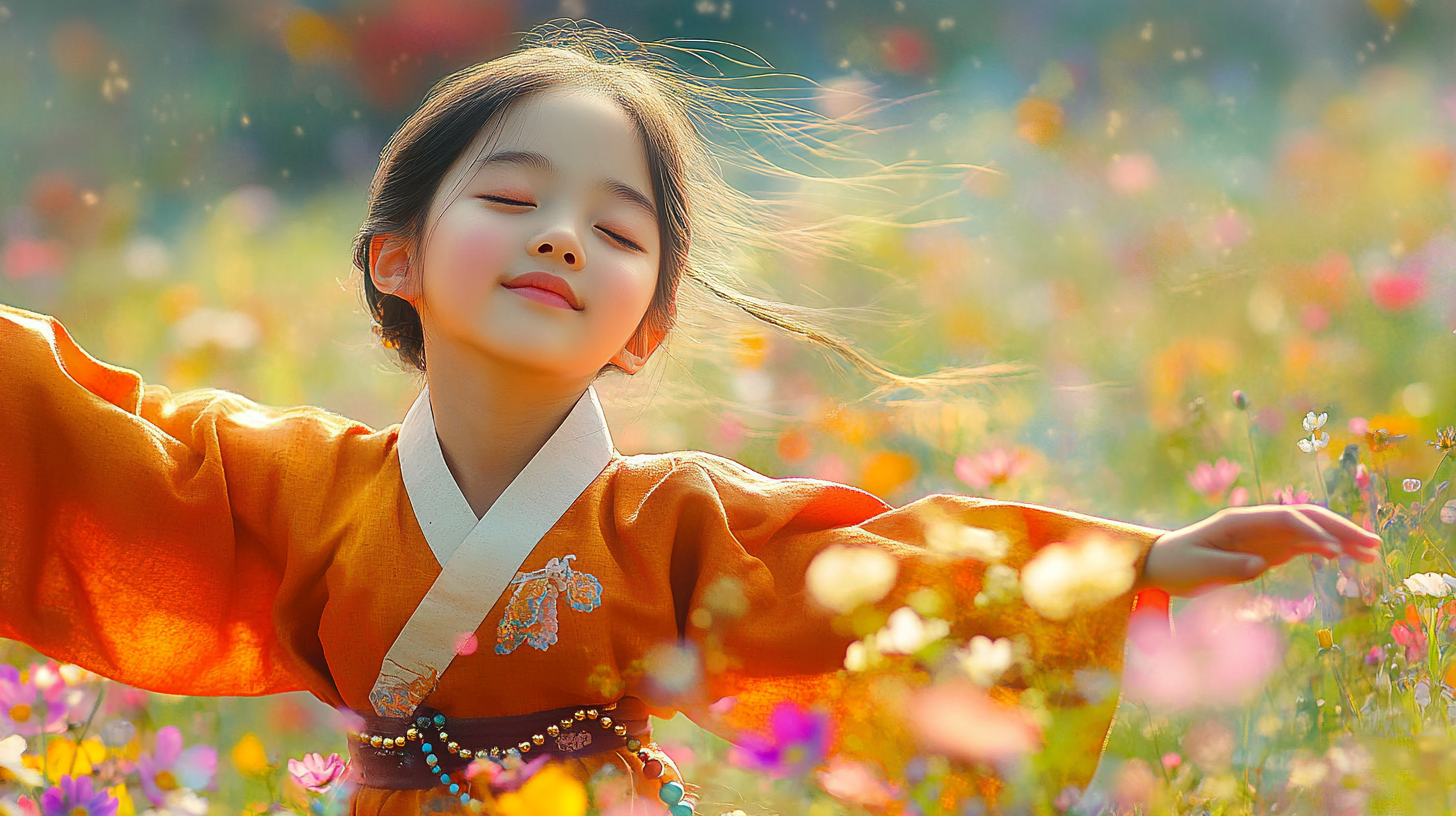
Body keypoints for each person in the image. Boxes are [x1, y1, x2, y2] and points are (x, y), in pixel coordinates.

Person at [0, 21, 1379, 816]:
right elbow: (90, 441)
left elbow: (890, 574)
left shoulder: (680, 522)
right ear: (395, 256)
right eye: (509, 199)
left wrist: (1147, 561)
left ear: (648, 321)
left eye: (615, 227)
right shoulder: (294, 487)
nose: (559, 239)